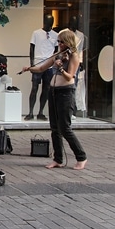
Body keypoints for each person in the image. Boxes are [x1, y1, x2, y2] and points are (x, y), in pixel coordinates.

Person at [22, 30, 87, 170]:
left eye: (62, 42)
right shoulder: (58, 55)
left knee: (65, 128)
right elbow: (41, 68)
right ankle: (58, 159)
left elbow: (70, 76)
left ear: (68, 42)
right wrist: (29, 68)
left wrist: (60, 68)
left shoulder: (74, 56)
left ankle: (81, 157)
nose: (59, 44)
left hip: (65, 93)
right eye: (58, 42)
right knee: (54, 128)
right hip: (54, 92)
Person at [25, 14, 58, 121]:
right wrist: (32, 64)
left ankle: (41, 112)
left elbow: (57, 50)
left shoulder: (55, 35)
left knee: (46, 89)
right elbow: (31, 49)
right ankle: (30, 112)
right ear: (44, 22)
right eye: (48, 22)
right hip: (38, 63)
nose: (50, 25)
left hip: (49, 65)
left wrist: (53, 60)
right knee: (34, 88)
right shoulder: (36, 33)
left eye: (51, 23)